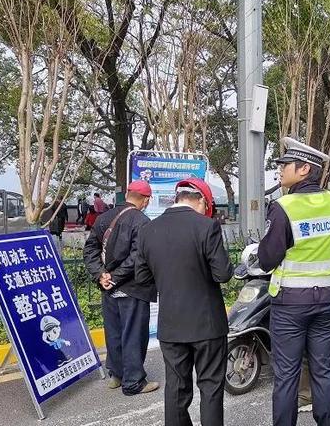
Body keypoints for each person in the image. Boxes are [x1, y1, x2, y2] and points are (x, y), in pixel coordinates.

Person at [258, 137, 330, 426]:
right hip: (325, 299)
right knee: (323, 369)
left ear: (303, 169)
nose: (280, 170)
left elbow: (266, 259)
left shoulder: (284, 207)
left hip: (289, 305)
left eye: (285, 165)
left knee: (287, 374)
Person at [135, 178, 233, 426]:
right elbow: (223, 274)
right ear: (200, 200)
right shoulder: (206, 227)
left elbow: (142, 277)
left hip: (171, 324)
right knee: (210, 389)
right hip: (207, 324)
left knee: (176, 389)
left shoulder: (148, 230)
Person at [83, 180, 159, 396]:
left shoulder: (103, 217)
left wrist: (101, 275)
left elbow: (90, 249)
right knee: (134, 334)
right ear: (145, 200)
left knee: (114, 332)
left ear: (127, 194)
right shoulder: (142, 221)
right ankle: (134, 381)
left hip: (108, 288)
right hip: (132, 288)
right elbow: (138, 257)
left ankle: (116, 374)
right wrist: (114, 277)